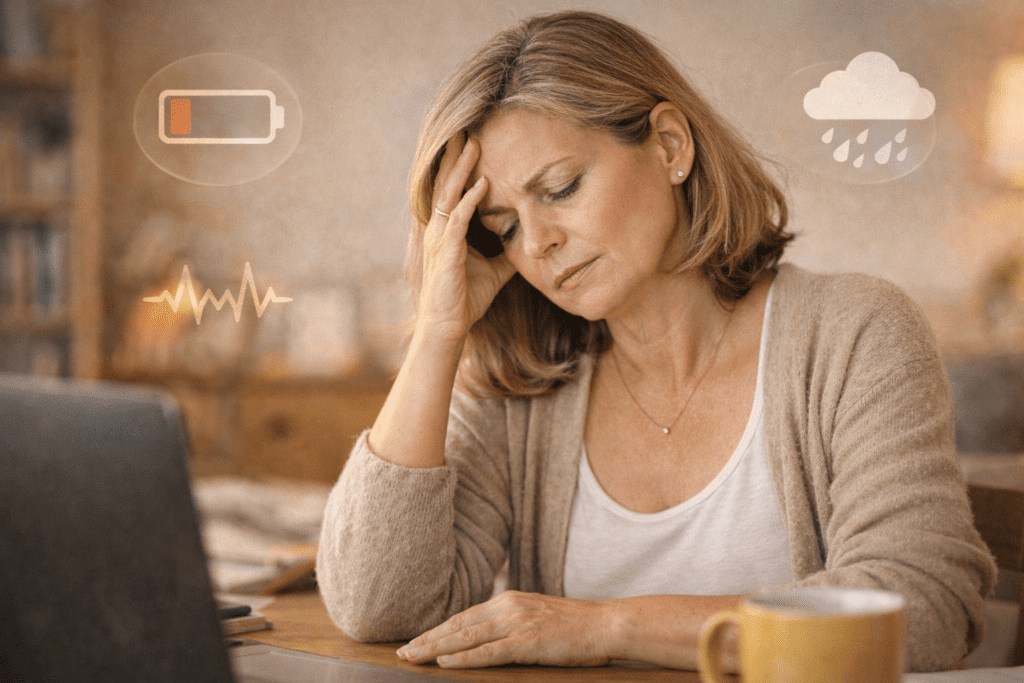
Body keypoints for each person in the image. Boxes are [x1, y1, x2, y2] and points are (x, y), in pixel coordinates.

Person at [317, 10, 996, 673]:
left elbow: (924, 603)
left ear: (670, 146)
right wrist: (439, 334)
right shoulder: (522, 379)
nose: (540, 242)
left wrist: (605, 627)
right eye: (503, 227)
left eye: (560, 188)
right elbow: (378, 608)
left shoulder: (854, 333)